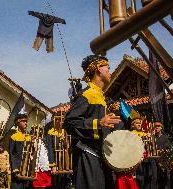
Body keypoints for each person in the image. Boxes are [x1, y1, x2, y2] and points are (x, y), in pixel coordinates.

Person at [64, 55, 122, 189]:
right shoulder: (86, 95)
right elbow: (69, 123)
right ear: (98, 69)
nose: (110, 71)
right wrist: (98, 123)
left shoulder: (102, 97)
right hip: (89, 156)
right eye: (108, 68)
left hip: (104, 157)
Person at [46, 112, 72, 189]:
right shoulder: (50, 132)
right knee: (56, 184)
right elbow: (49, 149)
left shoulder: (65, 132)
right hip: (56, 163)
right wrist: (52, 165)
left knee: (66, 184)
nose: (60, 121)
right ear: (54, 120)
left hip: (66, 163)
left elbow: (69, 149)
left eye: (61, 119)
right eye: (57, 119)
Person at [9, 114, 32, 189]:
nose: (26, 123)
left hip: (28, 169)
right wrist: (15, 169)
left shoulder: (30, 137)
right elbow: (12, 154)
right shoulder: (14, 137)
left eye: (26, 121)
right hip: (17, 170)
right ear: (18, 123)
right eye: (23, 121)